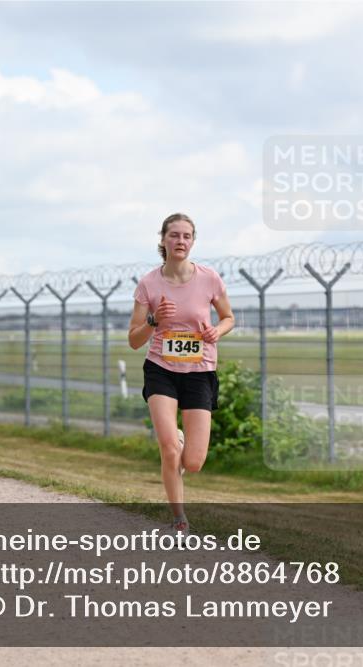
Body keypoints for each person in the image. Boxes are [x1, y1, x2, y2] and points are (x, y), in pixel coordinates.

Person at [128, 214, 234, 535]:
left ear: (193, 241)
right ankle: (179, 519)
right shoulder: (149, 283)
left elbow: (229, 317)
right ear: (162, 240)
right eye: (174, 235)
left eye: (187, 236)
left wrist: (217, 331)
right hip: (161, 368)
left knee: (193, 462)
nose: (180, 241)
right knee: (168, 448)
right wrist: (153, 321)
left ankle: (181, 441)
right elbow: (134, 340)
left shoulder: (209, 278)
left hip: (199, 372)